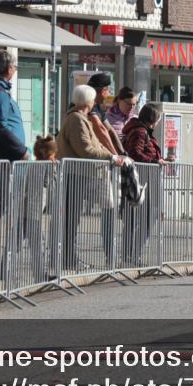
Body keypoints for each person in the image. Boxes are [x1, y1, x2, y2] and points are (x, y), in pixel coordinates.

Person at [57, 85, 128, 270]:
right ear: (88, 101)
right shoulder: (77, 120)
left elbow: (94, 144)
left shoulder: (81, 118)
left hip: (81, 173)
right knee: (71, 220)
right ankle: (67, 259)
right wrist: (111, 157)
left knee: (74, 219)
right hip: (77, 174)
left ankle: (69, 258)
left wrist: (113, 156)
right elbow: (86, 149)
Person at [121, 103, 166, 265]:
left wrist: (159, 160)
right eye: (159, 118)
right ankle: (131, 257)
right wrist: (155, 161)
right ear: (153, 119)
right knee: (140, 219)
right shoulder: (140, 132)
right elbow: (135, 153)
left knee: (142, 219)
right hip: (140, 181)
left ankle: (133, 256)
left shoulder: (144, 132)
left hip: (145, 180)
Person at [87, 72, 124, 155]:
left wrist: (123, 153)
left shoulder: (97, 107)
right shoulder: (87, 106)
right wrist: (116, 156)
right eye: (109, 91)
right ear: (103, 91)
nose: (109, 95)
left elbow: (110, 130)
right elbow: (101, 131)